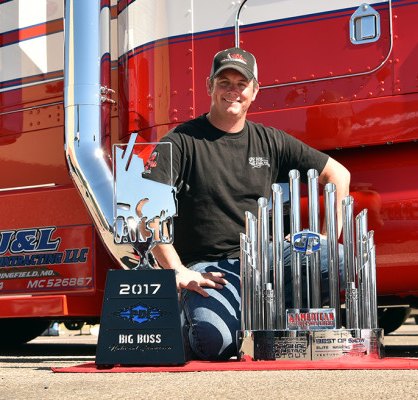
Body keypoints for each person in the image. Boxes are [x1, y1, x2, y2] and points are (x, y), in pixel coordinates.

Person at [144, 47, 350, 360]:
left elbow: (338, 174)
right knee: (212, 343)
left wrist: (323, 237)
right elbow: (147, 207)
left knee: (335, 257)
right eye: (224, 82)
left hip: (266, 260)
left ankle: (269, 318)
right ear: (209, 86)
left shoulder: (271, 140)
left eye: (242, 84)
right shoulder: (181, 141)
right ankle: (190, 317)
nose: (233, 91)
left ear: (254, 91)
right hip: (209, 268)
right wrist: (177, 271)